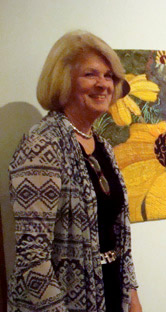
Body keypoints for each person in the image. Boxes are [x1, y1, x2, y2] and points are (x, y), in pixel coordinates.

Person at [7, 30, 142, 312]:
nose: (103, 84)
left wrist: (132, 296)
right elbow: (33, 257)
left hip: (111, 290)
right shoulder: (42, 145)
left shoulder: (102, 145)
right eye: (91, 74)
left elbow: (117, 233)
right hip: (62, 302)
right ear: (63, 81)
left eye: (109, 76)